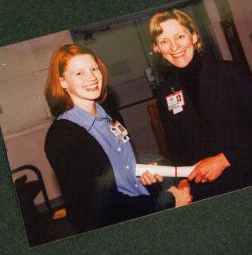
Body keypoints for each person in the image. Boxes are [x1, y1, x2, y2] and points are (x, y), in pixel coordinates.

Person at [142, 8, 252, 200]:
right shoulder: (164, 93)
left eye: (180, 36)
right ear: (156, 48)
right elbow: (178, 149)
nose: (174, 46)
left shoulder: (231, 73)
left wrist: (225, 159)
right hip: (208, 195)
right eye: (164, 41)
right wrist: (183, 182)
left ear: (194, 36)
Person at [44, 44, 191, 233]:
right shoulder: (62, 137)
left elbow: (126, 167)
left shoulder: (110, 113)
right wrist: (169, 200)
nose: (91, 77)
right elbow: (98, 206)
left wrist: (146, 176)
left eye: (94, 68)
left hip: (141, 202)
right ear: (63, 82)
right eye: (79, 73)